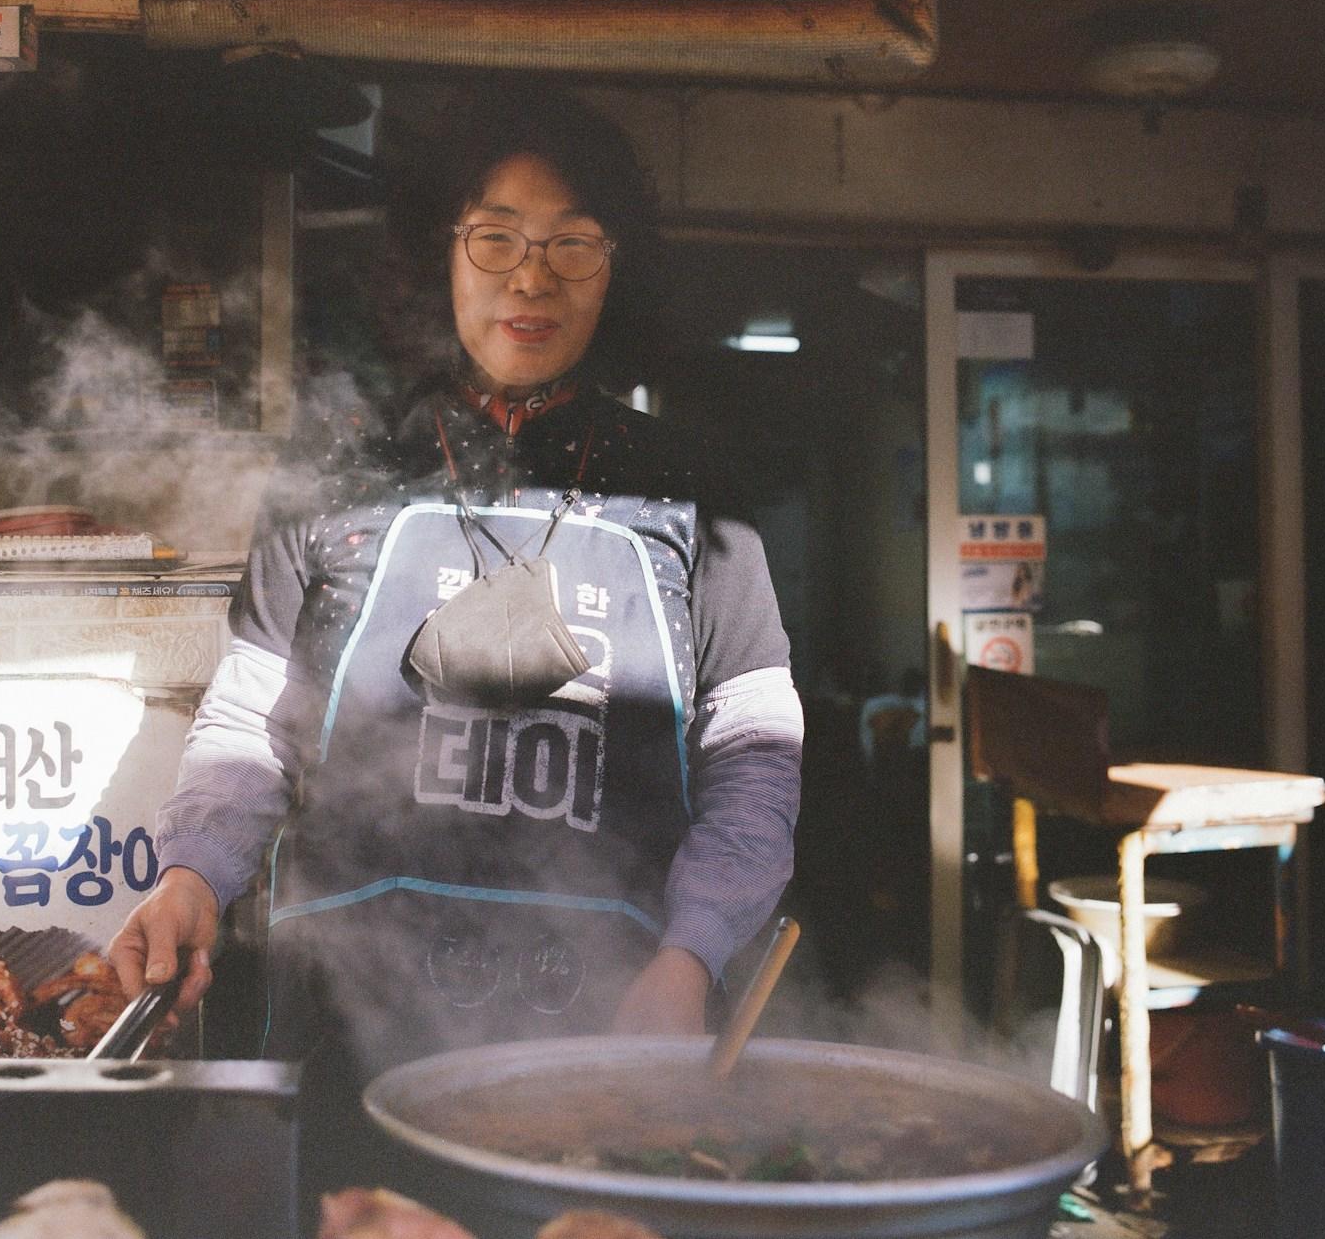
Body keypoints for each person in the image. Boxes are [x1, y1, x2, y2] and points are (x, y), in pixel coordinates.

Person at [110, 88, 804, 1075]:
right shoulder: (336, 472)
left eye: (574, 244)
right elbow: (250, 725)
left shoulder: (693, 491)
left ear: (618, 270)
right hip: (346, 1021)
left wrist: (692, 952)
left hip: (607, 1019)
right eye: (496, 239)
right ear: (440, 256)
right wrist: (191, 877)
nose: (533, 279)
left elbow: (756, 754)